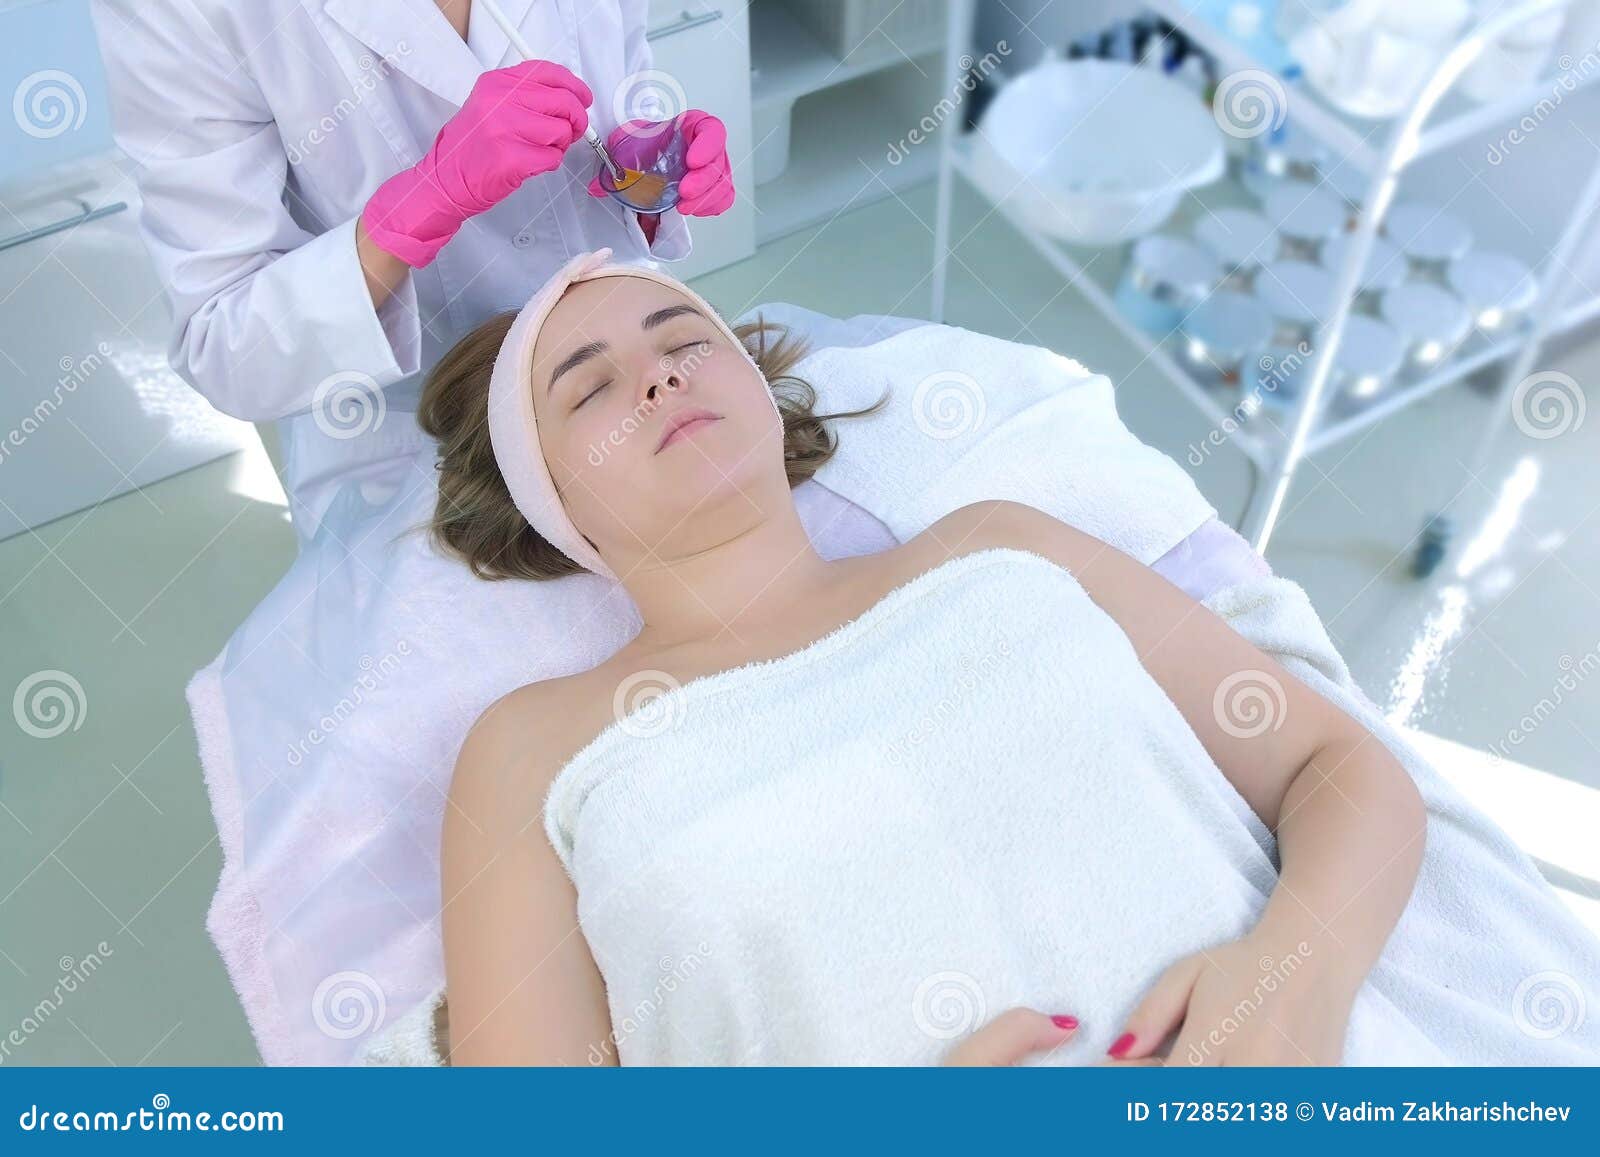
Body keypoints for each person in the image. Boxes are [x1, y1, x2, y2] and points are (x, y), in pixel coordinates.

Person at [423, 251, 1437, 1066]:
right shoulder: (530, 747)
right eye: (589, 387)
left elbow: (1332, 766)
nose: (659, 372)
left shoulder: (998, 546)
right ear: (550, 505)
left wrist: (1293, 980)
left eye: (685, 337)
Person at [91, 0, 734, 546]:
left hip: (629, 350)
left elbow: (619, 77)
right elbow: (225, 344)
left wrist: (646, 164)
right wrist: (416, 207)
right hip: (416, 448)